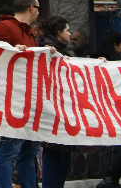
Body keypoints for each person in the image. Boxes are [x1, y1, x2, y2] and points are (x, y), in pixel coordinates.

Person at [0, 0, 42, 188]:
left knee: (29, 150)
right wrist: (10, 52)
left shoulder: (28, 33)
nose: (38, 13)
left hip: (28, 99)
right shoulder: (4, 28)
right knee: (10, 150)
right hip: (12, 99)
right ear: (31, 8)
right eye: (38, 9)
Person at [37, 16, 76, 188]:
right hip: (53, 110)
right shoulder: (47, 49)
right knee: (55, 155)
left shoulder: (63, 50)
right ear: (58, 32)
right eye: (67, 30)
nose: (70, 34)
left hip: (62, 108)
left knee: (62, 155)